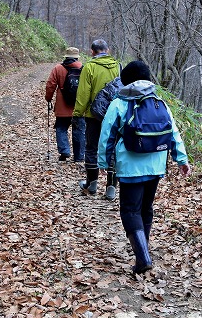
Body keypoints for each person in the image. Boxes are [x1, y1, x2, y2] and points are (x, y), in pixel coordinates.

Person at [97, 60, 191, 274]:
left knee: (130, 210)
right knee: (146, 208)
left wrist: (103, 162)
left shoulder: (120, 102)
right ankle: (144, 251)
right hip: (156, 163)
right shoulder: (159, 102)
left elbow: (107, 134)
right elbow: (173, 132)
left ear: (125, 81)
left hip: (130, 166)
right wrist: (181, 160)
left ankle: (142, 257)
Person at [72, 39, 121, 199]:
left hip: (93, 116)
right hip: (114, 116)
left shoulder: (89, 67)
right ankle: (111, 187)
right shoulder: (119, 66)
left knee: (92, 148)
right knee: (113, 148)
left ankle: (92, 184)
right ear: (108, 50)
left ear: (92, 52)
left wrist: (78, 113)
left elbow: (83, 93)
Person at [45, 47, 85, 162]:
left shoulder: (58, 68)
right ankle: (79, 157)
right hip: (79, 107)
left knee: (61, 128)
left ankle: (65, 151)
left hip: (62, 107)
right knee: (79, 131)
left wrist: (48, 98)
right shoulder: (83, 69)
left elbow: (50, 85)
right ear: (77, 57)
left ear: (66, 57)